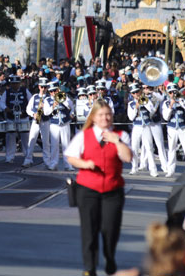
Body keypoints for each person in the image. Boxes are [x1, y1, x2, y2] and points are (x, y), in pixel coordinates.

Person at [65, 99, 132, 276]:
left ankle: (110, 257)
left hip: (112, 190)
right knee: (89, 229)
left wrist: (116, 141)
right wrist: (84, 164)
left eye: (108, 114)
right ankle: (90, 267)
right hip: (88, 189)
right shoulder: (83, 135)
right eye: (101, 115)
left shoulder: (121, 135)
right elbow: (70, 156)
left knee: (110, 229)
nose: (105, 118)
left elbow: (127, 158)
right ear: (93, 117)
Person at [162, 83, 185, 177]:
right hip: (172, 128)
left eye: (174, 92)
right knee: (171, 149)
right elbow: (165, 117)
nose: (173, 94)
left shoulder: (182, 100)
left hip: (182, 127)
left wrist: (181, 101)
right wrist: (170, 106)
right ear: (168, 93)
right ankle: (170, 170)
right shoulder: (166, 103)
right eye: (171, 92)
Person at [127, 82, 158, 176]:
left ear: (140, 91)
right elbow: (131, 117)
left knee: (149, 147)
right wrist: (136, 107)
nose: (136, 94)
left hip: (146, 126)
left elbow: (152, 111)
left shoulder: (147, 100)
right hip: (137, 126)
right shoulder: (131, 104)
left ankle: (153, 170)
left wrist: (145, 103)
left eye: (137, 92)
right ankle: (134, 168)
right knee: (135, 147)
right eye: (134, 93)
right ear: (131, 94)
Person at [44, 81, 75, 171]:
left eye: (55, 90)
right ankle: (54, 163)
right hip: (54, 124)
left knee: (66, 144)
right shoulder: (47, 100)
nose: (53, 93)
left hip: (65, 123)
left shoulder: (65, 97)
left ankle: (68, 165)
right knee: (54, 145)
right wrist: (53, 106)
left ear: (58, 90)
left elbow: (71, 107)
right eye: (51, 91)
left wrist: (63, 100)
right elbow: (46, 112)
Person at [22, 77, 51, 168]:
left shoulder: (49, 98)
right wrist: (33, 114)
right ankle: (28, 159)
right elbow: (28, 109)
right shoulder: (34, 97)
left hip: (45, 120)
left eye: (45, 87)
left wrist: (45, 106)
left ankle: (47, 161)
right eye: (42, 87)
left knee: (45, 142)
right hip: (36, 120)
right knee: (32, 139)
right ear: (39, 87)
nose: (43, 89)